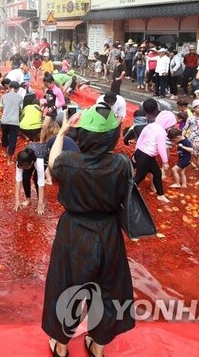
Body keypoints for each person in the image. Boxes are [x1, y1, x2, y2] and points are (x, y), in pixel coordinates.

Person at [43, 104, 134, 357]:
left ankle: (61, 347)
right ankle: (98, 347)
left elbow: (52, 163)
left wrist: (62, 132)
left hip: (74, 231)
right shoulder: (122, 164)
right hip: (108, 232)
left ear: (82, 135)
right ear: (112, 136)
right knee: (109, 289)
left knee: (65, 287)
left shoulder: (68, 163)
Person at [133, 110, 176, 203]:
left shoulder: (150, 125)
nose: (171, 127)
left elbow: (140, 139)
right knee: (140, 177)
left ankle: (161, 195)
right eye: (171, 125)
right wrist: (165, 162)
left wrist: (135, 152)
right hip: (146, 155)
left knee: (157, 173)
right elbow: (161, 147)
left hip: (142, 153)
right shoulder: (161, 131)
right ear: (167, 122)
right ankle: (124, 192)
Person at [14, 147, 45, 214]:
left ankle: (40, 201)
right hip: (28, 160)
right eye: (22, 166)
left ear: (31, 163)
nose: (23, 168)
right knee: (25, 177)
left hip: (41, 157)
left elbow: (41, 184)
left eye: (25, 167)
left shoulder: (39, 162)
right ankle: (28, 199)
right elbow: (18, 180)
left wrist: (40, 204)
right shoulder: (20, 161)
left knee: (36, 178)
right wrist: (17, 200)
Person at [1, 81, 23, 165]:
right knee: (12, 139)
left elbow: (2, 107)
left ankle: (4, 152)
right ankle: (9, 160)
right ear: (17, 89)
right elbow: (20, 110)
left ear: (9, 87)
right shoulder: (20, 98)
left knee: (4, 136)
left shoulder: (4, 96)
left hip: (5, 120)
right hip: (14, 121)